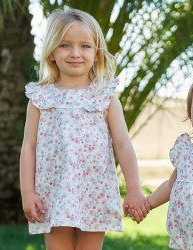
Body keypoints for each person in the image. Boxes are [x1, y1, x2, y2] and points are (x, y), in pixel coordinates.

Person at [19, 8, 150, 250]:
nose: (75, 53)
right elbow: (29, 147)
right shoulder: (40, 98)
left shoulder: (105, 96)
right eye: (65, 45)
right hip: (53, 191)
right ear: (51, 53)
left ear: (97, 54)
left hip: (94, 190)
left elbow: (123, 144)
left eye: (85, 46)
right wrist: (28, 192)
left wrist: (133, 189)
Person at [130, 80, 193, 250]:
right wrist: (147, 204)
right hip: (185, 237)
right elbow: (169, 186)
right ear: (190, 114)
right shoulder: (186, 153)